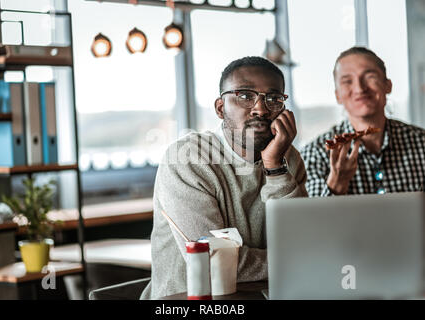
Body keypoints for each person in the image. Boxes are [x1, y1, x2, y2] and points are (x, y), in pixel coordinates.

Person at [140, 56, 307, 299]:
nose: (260, 109)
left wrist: (274, 168)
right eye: (245, 96)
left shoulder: (288, 158)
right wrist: (299, 260)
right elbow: (214, 263)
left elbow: (300, 239)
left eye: (273, 99)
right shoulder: (187, 159)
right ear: (220, 108)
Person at [301, 47, 425, 197]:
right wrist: (336, 185)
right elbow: (313, 218)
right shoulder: (314, 154)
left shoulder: (421, 142)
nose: (359, 88)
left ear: (388, 85)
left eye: (370, 76)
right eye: (347, 81)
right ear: (338, 95)